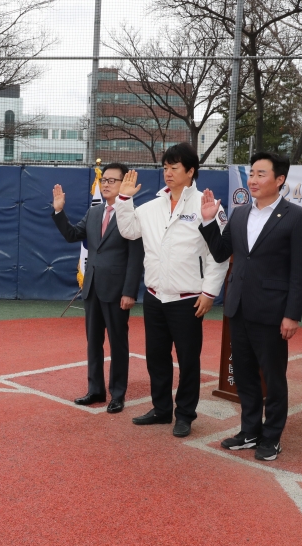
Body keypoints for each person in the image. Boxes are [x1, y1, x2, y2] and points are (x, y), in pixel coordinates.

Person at [199, 152, 302, 461]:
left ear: (280, 180)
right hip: (239, 307)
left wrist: (292, 314)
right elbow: (223, 254)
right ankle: (249, 431)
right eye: (251, 173)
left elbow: (300, 271)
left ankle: (272, 436)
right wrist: (209, 221)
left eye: (261, 174)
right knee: (245, 375)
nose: (253, 180)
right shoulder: (239, 214)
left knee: (273, 378)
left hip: (273, 311)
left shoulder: (296, 216)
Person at [114, 142, 229, 437]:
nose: (168, 173)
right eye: (165, 167)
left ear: (190, 171)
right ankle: (162, 409)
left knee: (188, 360)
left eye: (174, 168)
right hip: (154, 296)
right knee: (157, 357)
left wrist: (209, 292)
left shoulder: (208, 206)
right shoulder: (151, 206)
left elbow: (220, 255)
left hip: (188, 298)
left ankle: (185, 414)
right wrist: (124, 198)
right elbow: (128, 230)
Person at [52, 163, 144, 414]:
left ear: (125, 184)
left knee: (117, 343)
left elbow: (136, 257)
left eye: (112, 181)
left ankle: (117, 394)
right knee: (93, 343)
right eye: (104, 180)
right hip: (92, 287)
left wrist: (129, 292)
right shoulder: (94, 212)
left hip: (116, 291)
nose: (105, 184)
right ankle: (95, 390)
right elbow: (73, 235)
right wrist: (59, 212)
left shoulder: (132, 215)